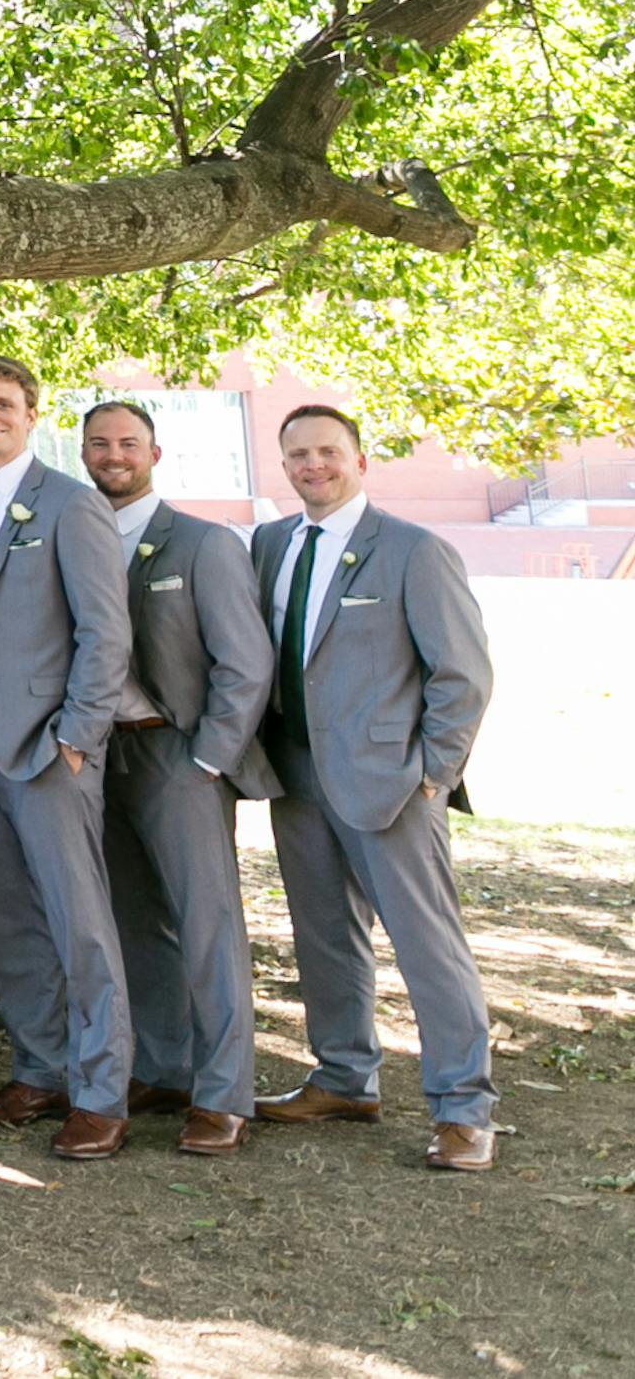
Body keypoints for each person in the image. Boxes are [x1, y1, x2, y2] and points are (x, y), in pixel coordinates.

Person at [250, 405, 498, 1171]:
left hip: (391, 782)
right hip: (294, 770)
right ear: (284, 464)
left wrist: (433, 775)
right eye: (298, 455)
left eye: (328, 452)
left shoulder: (413, 550)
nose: (312, 465)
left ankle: (464, 1109)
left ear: (359, 460)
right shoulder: (270, 544)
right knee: (323, 936)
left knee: (428, 947)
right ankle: (343, 1077)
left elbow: (463, 675)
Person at [0, 356, 138, 1159]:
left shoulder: (72, 504)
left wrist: (78, 736)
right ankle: (39, 1066)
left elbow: (104, 633)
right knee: (12, 920)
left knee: (79, 924)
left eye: (2, 403)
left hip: (50, 747)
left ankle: (99, 1090)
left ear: (30, 413)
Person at [79, 399, 272, 1158]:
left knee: (207, 926)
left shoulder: (202, 544)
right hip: (97, 757)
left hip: (177, 754)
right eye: (99, 443)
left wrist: (209, 759)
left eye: (128, 442)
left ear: (154, 453)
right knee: (132, 922)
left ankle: (224, 1092)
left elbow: (245, 663)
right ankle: (163, 1066)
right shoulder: (77, 533)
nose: (113, 454)